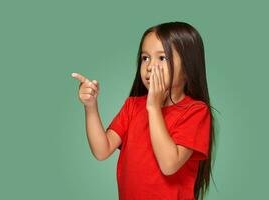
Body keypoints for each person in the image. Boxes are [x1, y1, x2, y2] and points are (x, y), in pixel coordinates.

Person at [71, 21, 217, 200]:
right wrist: (90, 106)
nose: (149, 67)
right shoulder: (133, 106)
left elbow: (169, 164)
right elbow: (102, 150)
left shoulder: (196, 111)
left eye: (162, 58)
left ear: (187, 68)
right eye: (145, 58)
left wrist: (153, 107)